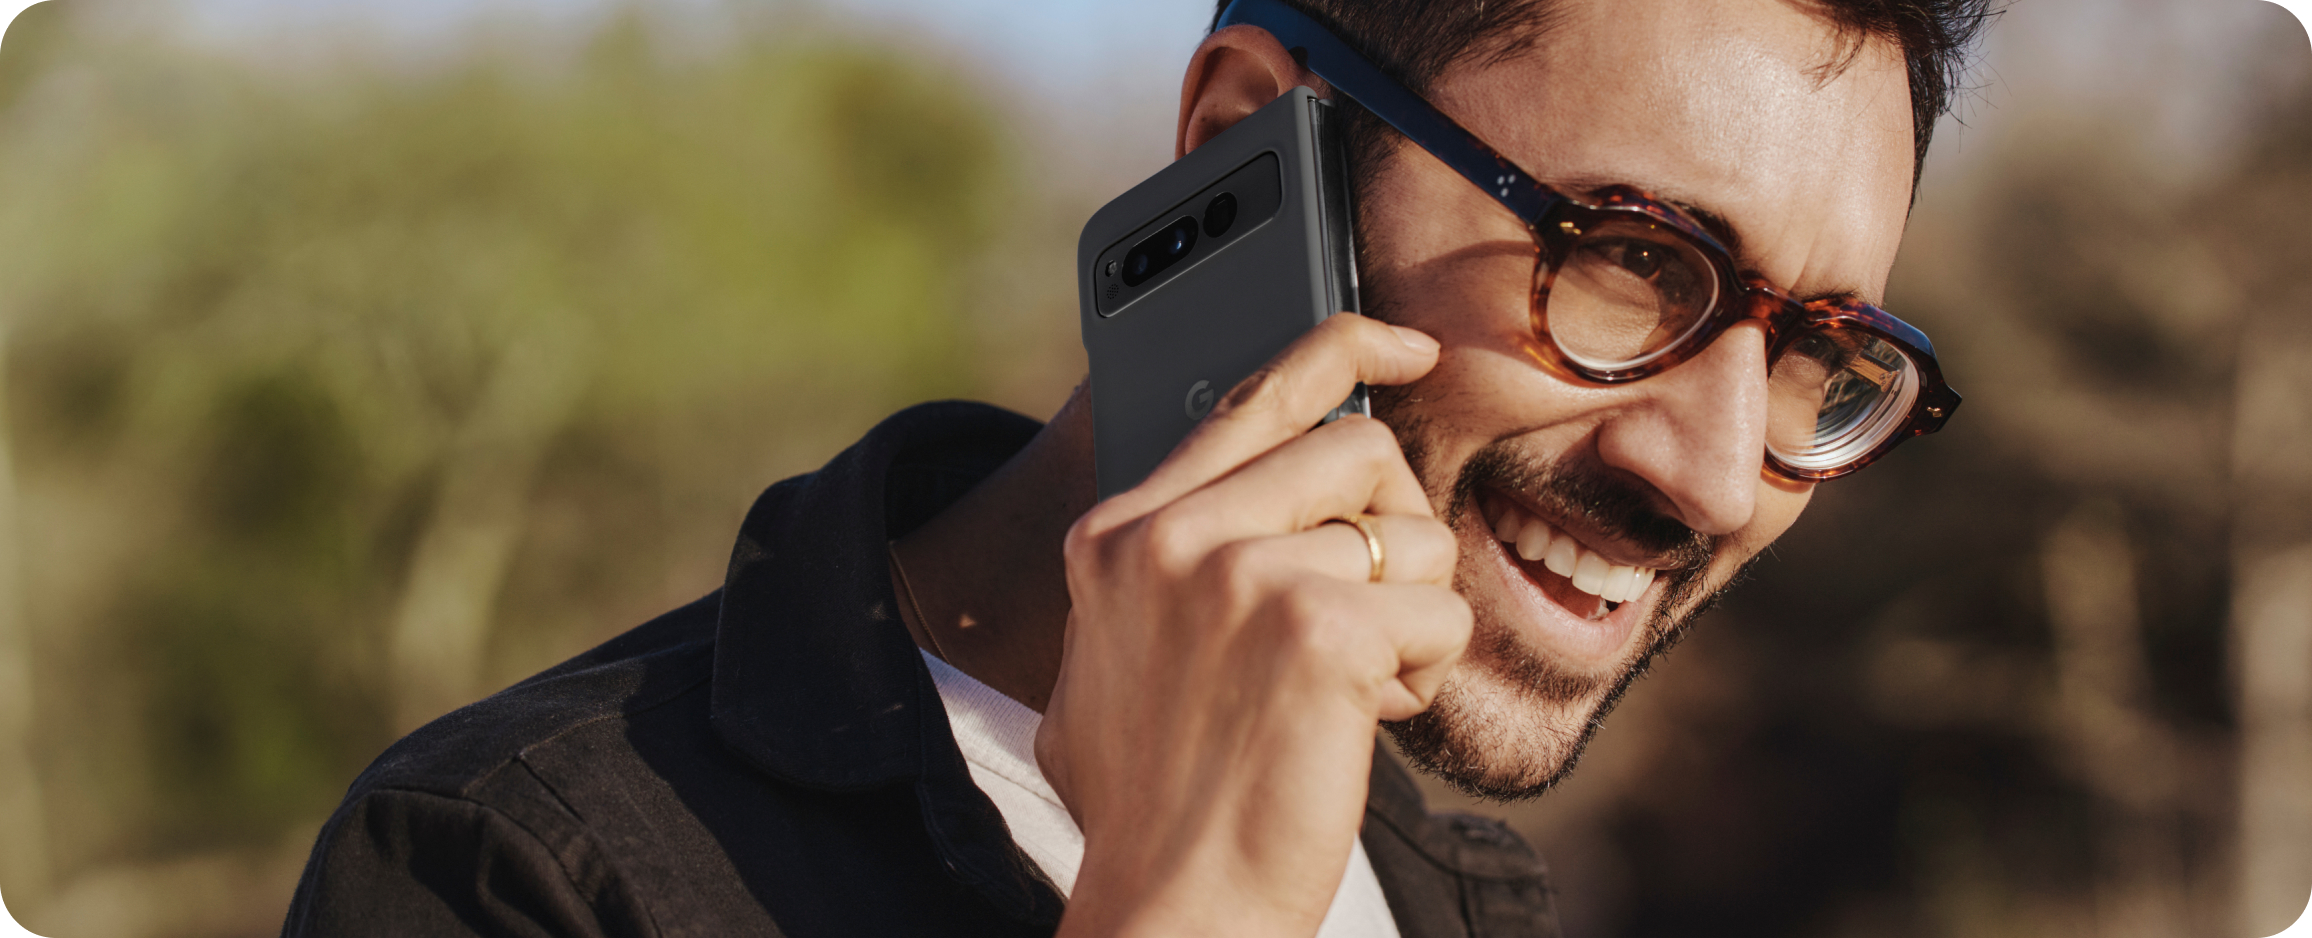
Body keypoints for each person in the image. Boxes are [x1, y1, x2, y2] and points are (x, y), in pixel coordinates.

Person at [282, 0, 1990, 935]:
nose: (1710, 470)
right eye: (1636, 262)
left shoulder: (1464, 908)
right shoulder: (519, 870)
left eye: (1824, 356)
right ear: (1252, 141)